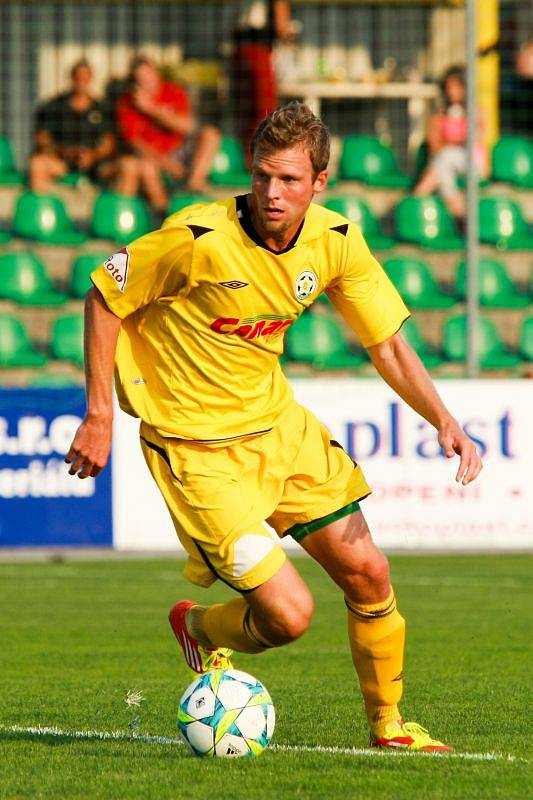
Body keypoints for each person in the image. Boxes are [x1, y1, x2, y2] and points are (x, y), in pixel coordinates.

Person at [65, 103, 482, 752]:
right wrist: (98, 414)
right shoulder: (195, 239)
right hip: (195, 449)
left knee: (369, 572)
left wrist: (443, 419)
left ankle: (389, 728)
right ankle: (202, 629)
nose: (271, 193)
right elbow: (103, 296)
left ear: (319, 183)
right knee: (289, 618)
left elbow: (388, 344)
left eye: (289, 180)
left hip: (278, 429)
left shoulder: (336, 239)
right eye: (262, 176)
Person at [115, 57, 220, 211]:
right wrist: (166, 164)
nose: (147, 83)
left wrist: (151, 109)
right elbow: (136, 145)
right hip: (154, 157)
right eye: (141, 80)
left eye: (149, 76)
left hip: (181, 151)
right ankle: (163, 211)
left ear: (156, 74)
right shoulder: (126, 103)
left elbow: (188, 126)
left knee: (211, 134)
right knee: (145, 166)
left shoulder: (173, 92)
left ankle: (194, 185)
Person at [413, 65, 488, 218]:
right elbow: (434, 147)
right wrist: (457, 141)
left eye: (457, 87)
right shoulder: (439, 115)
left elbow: (476, 140)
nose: (452, 92)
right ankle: (458, 209)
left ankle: (420, 192)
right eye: (449, 87)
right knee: (445, 163)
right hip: (446, 163)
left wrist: (451, 141)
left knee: (445, 159)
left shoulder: (477, 111)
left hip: (471, 162)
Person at [30, 60, 116, 192]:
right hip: (62, 164)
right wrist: (67, 152)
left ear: (91, 78)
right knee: (37, 164)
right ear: (71, 78)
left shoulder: (102, 108)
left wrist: (93, 155)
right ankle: (45, 209)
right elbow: (42, 140)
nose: (81, 80)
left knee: (129, 167)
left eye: (85, 77)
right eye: (78, 77)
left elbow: (109, 143)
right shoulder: (54, 106)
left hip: (96, 166)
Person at [231, 1, 294, 159]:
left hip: (239, 50)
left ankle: (249, 157)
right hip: (258, 49)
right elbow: (282, 26)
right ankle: (259, 158)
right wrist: (290, 35)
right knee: (264, 110)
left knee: (246, 110)